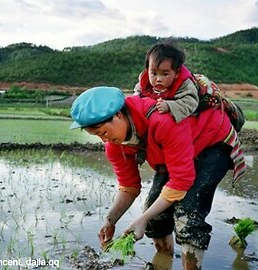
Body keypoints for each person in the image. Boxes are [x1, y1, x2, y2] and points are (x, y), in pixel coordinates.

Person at [69, 86, 245, 269]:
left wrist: (142, 219)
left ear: (118, 115)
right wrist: (110, 220)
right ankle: (163, 262)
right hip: (176, 152)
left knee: (188, 213)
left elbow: (181, 181)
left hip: (213, 142)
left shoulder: (162, 120)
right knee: (154, 212)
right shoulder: (114, 145)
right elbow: (129, 186)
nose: (104, 140)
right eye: (97, 136)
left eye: (104, 133)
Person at [134, 39, 199, 123]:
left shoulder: (184, 84)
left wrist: (170, 106)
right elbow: (137, 92)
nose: (158, 79)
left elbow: (191, 102)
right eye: (154, 73)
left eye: (165, 74)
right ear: (148, 70)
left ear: (176, 73)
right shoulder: (145, 80)